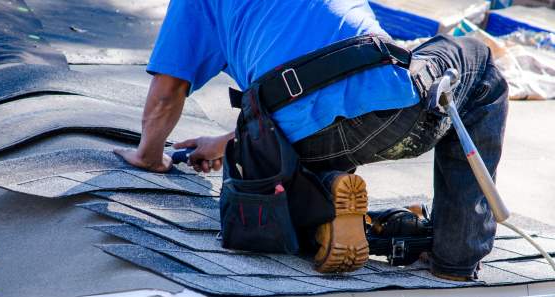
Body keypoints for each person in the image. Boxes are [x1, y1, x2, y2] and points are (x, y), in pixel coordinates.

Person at [115, 0, 508, 280]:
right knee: (477, 59)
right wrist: (222, 141)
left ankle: (325, 200)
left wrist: (150, 157)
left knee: (294, 135)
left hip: (289, 144)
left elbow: (168, 91)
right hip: (388, 113)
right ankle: (455, 258)